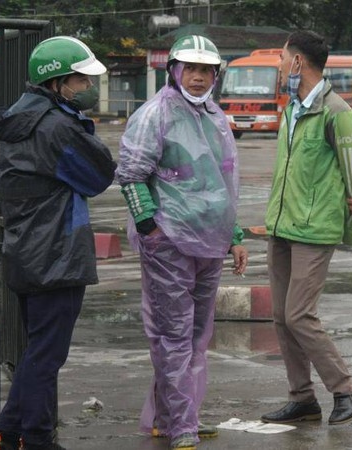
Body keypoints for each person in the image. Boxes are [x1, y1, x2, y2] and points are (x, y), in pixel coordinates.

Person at [115, 35, 248, 450]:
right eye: (190, 69)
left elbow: (222, 182)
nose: (197, 77)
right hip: (169, 243)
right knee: (173, 334)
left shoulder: (214, 116)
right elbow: (131, 176)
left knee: (196, 335)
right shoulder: (155, 114)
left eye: (206, 70)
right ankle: (181, 425)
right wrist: (150, 229)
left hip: (211, 242)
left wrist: (235, 235)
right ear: (174, 70)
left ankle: (171, 416)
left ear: (215, 75)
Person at [0, 36, 116, 450]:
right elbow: (98, 175)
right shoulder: (57, 126)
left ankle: (15, 434)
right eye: (80, 80)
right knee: (45, 356)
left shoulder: (20, 119)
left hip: (25, 252)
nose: (86, 88)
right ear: (58, 81)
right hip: (57, 253)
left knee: (37, 353)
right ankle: (34, 438)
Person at [260, 30, 352, 426]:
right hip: (282, 225)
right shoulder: (291, 110)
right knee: (280, 316)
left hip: (315, 228)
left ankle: (345, 389)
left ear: (297, 63)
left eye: (281, 59)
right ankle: (302, 399)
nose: (278, 66)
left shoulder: (337, 112)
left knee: (299, 314)